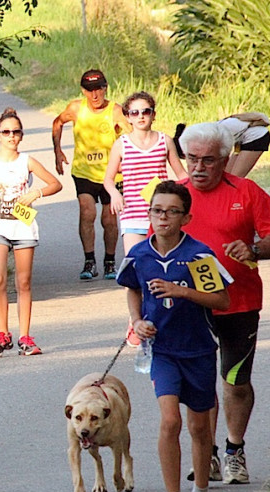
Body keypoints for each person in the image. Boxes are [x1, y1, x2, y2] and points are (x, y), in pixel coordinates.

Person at [117, 181, 232, 492]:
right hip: (162, 350)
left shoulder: (198, 254)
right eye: (156, 210)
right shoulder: (139, 254)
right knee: (170, 421)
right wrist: (137, 322)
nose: (162, 217)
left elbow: (222, 301)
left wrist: (182, 291)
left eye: (171, 211)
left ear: (186, 217)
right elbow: (133, 288)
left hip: (197, 350)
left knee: (199, 427)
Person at [178, 122, 270, 485]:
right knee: (199, 383)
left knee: (234, 381)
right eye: (192, 159)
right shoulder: (174, 196)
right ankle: (207, 454)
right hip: (190, 304)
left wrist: (254, 248)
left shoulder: (247, 192)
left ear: (226, 159)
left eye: (208, 161)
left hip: (238, 302)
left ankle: (234, 450)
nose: (199, 168)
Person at [0, 108, 62, 357]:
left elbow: (55, 184)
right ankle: (2, 333)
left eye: (16, 132)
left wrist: (35, 193)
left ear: (21, 135)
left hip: (22, 225)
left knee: (23, 282)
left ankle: (25, 336)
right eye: (6, 132)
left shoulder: (26, 161)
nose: (11, 136)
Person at [103, 92, 187, 346]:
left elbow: (180, 173)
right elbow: (108, 178)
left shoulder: (164, 140)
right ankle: (135, 321)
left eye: (146, 111)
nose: (140, 117)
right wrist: (114, 195)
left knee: (168, 268)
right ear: (127, 117)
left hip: (162, 217)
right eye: (134, 113)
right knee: (137, 269)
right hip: (133, 214)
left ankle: (166, 319)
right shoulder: (122, 144)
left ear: (154, 114)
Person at [52, 69, 130, 280]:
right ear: (83, 91)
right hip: (83, 171)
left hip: (111, 174)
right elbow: (57, 123)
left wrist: (129, 161)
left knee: (109, 220)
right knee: (87, 212)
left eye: (98, 89)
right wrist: (57, 151)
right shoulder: (76, 108)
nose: (94, 95)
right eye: (89, 90)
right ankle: (89, 261)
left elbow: (133, 136)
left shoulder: (115, 111)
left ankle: (110, 262)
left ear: (105, 88)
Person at [174, 112, 269, 178]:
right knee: (226, 177)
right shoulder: (202, 131)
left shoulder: (212, 135)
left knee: (235, 179)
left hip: (257, 137)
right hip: (242, 140)